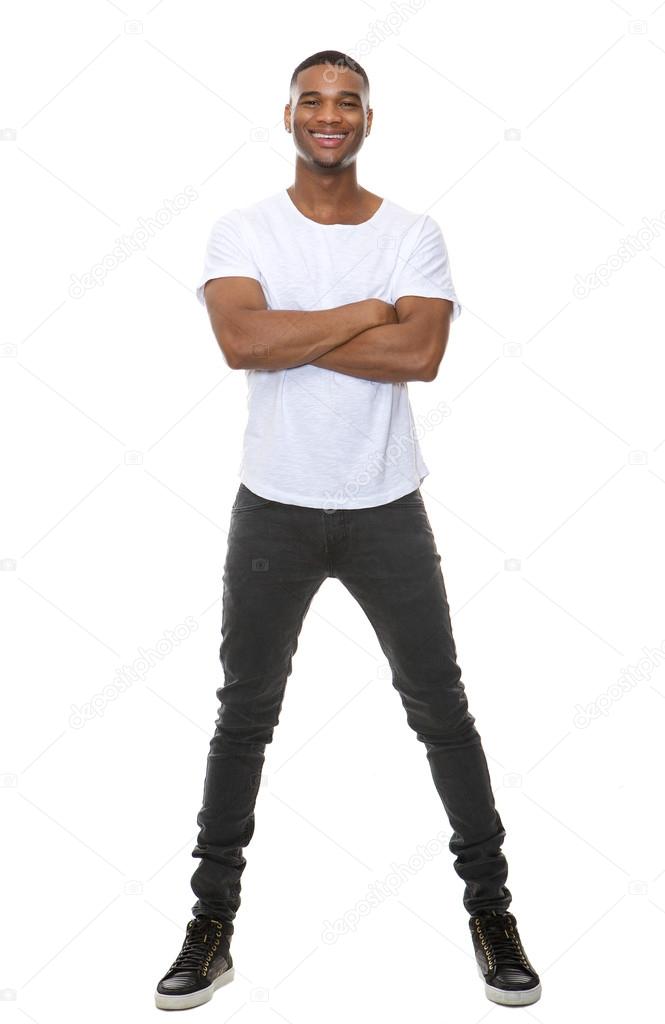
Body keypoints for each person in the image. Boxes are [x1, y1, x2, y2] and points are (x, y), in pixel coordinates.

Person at [154, 49, 541, 1011]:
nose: (331, 116)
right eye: (314, 101)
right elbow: (242, 341)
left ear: (368, 120)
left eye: (349, 103)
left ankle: (492, 914)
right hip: (273, 509)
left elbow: (421, 354)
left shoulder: (414, 231)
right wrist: (368, 310)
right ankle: (212, 925)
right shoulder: (241, 229)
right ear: (287, 115)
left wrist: (312, 325)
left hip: (384, 511)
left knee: (440, 710)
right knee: (243, 717)